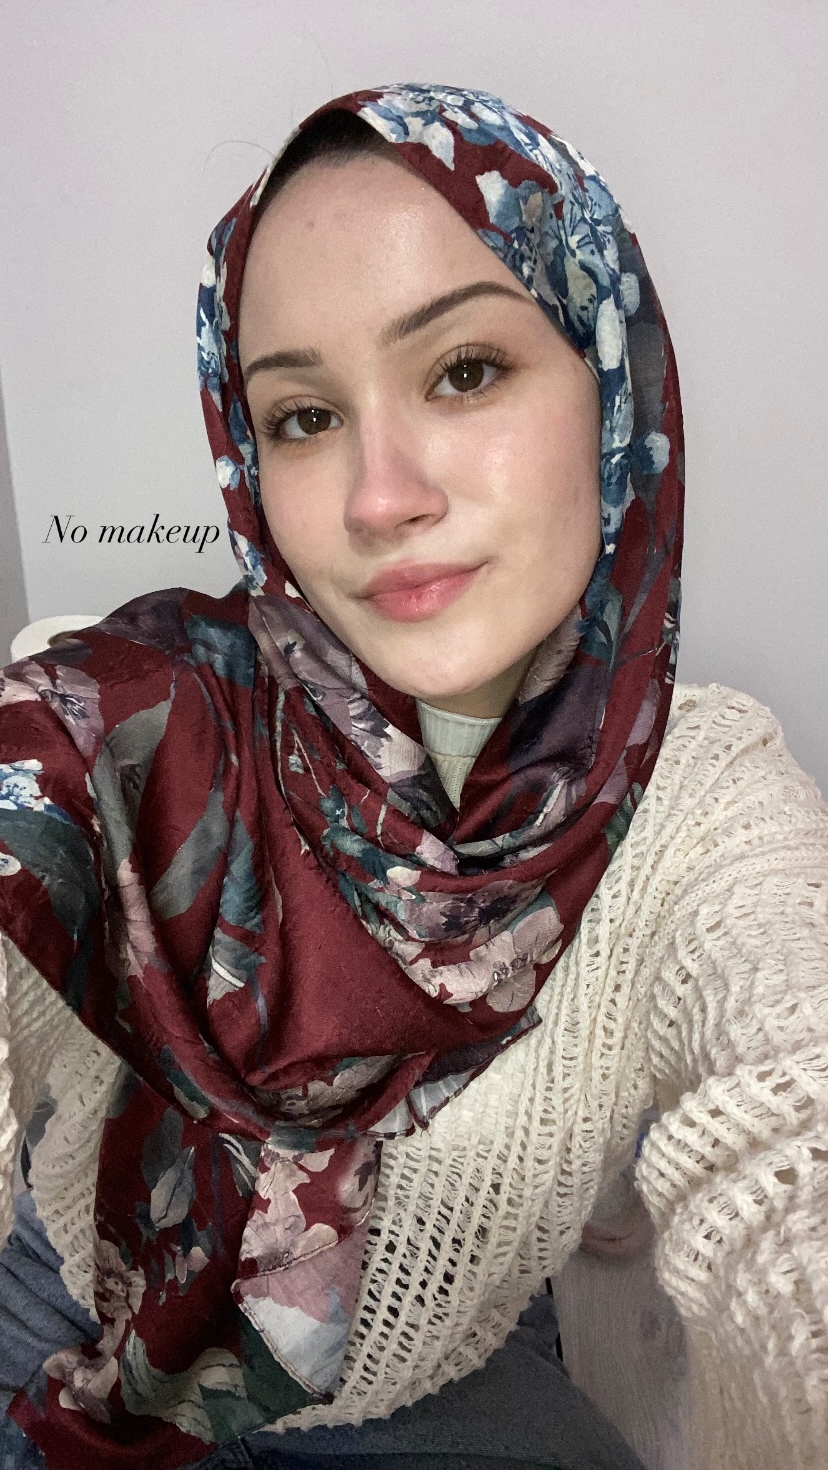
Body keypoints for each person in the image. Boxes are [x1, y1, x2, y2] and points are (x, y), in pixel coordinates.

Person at [0, 82, 825, 1470]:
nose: (380, 497)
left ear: (612, 382)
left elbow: (792, 1110)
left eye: (464, 371)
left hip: (433, 1390)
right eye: (303, 416)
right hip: (62, 1320)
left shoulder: (699, 805)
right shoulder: (115, 714)